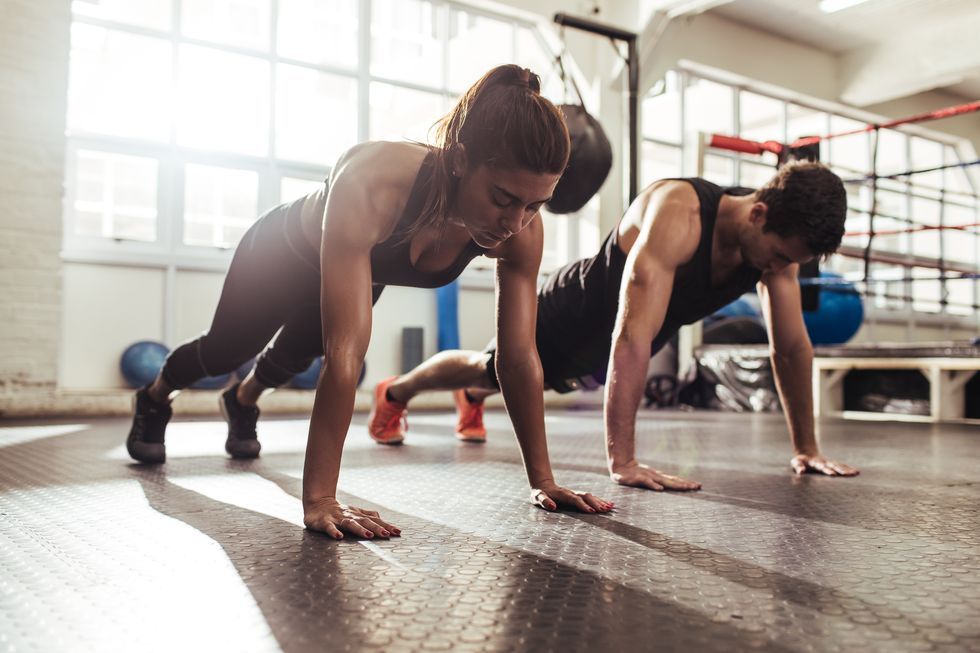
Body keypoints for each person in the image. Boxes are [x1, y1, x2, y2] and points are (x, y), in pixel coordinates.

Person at [125, 64, 614, 539]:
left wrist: (543, 480)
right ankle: (153, 397)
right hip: (283, 253)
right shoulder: (375, 180)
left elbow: (518, 357)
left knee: (298, 354)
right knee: (228, 350)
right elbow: (347, 354)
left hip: (359, 264)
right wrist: (320, 500)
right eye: (503, 198)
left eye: (535, 205)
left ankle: (242, 400)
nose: (515, 222)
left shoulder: (520, 232)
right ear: (461, 159)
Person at [369, 162, 861, 490]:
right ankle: (396, 393)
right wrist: (622, 461)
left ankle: (472, 399)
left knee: (507, 382)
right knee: (491, 369)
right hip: (574, 311)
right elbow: (632, 336)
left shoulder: (778, 252)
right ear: (759, 214)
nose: (778, 269)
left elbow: (792, 349)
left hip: (612, 348)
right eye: (778, 256)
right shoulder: (680, 213)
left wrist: (807, 448)